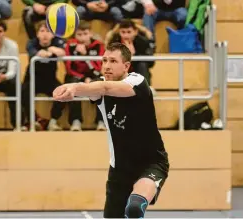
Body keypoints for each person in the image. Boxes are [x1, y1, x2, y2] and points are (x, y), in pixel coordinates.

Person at [53, 42, 169, 218]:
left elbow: (105, 88)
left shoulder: (137, 81)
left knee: (135, 207)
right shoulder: (99, 86)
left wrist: (75, 87)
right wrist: (70, 90)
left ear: (126, 66)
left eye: (113, 61)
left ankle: (136, 207)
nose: (106, 65)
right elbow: (94, 88)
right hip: (119, 169)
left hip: (151, 162)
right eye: (104, 60)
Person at [49, 20, 106, 131]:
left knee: (102, 85)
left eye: (85, 34)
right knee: (71, 86)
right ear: (75, 35)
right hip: (75, 76)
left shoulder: (98, 45)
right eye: (79, 34)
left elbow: (98, 68)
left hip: (93, 76)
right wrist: (83, 79)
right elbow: (69, 68)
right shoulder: (70, 45)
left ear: (90, 33)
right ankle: (75, 121)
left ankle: (101, 121)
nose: (82, 37)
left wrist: (86, 56)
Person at [21, 20, 66, 131]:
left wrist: (53, 49)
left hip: (50, 80)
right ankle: (33, 121)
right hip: (32, 79)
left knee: (64, 93)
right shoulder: (31, 42)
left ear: (53, 34)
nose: (45, 34)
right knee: (23, 92)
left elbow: (63, 52)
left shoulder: (56, 42)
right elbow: (32, 51)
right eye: (42, 31)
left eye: (48, 31)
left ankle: (53, 121)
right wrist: (41, 53)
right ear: (37, 34)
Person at [106, 19, 156, 94]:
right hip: (119, 73)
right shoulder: (114, 42)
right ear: (119, 32)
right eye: (123, 32)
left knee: (142, 64)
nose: (126, 35)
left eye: (129, 32)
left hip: (137, 71)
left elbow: (151, 63)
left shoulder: (143, 42)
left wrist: (134, 54)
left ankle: (145, 89)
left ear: (135, 32)